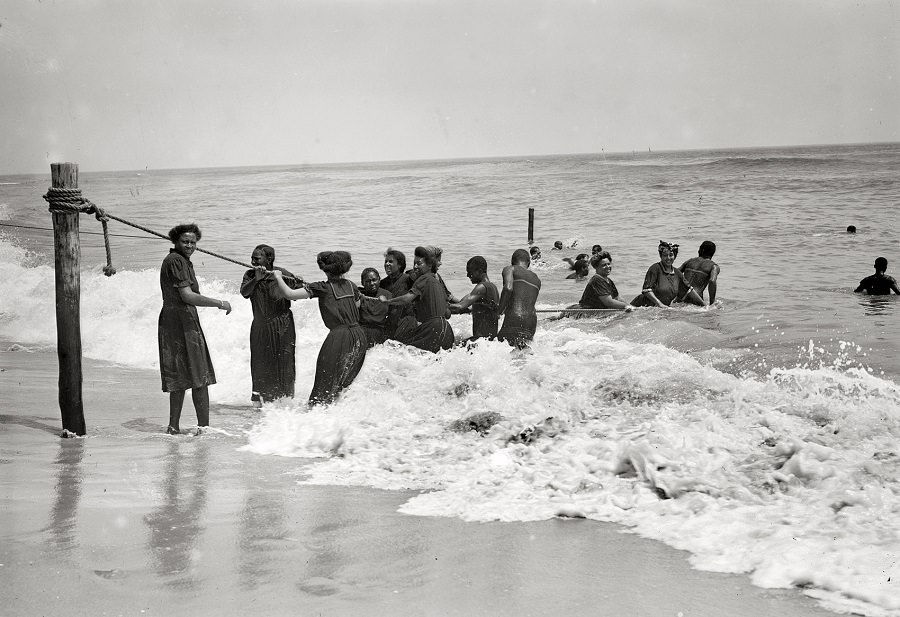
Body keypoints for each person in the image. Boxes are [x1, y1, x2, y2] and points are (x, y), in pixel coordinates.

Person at [158, 223, 232, 435]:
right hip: (182, 320)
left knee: (180, 375)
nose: (190, 245)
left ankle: (173, 427)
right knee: (200, 376)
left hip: (172, 319)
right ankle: (204, 428)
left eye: (193, 242)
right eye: (185, 241)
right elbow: (188, 296)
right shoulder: (178, 261)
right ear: (175, 241)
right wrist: (220, 302)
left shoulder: (176, 260)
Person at [272, 251, 368, 406]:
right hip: (359, 334)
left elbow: (289, 294)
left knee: (325, 379)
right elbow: (357, 305)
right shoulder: (351, 285)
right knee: (344, 381)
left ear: (325, 269)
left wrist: (278, 276)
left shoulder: (322, 287)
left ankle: (316, 412)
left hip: (339, 336)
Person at [240, 244, 303, 408]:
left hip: (283, 324)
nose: (252, 261)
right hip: (260, 326)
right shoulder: (249, 274)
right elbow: (244, 293)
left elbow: (297, 294)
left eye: (257, 258)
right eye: (252, 257)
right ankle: (260, 402)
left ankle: (285, 402)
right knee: (260, 363)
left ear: (269, 259)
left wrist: (296, 281)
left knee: (285, 361)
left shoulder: (283, 274)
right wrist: (257, 279)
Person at [382, 246, 455, 352]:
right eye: (414, 263)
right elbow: (447, 313)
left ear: (429, 265)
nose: (415, 267)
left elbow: (407, 299)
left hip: (433, 328)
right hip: (447, 329)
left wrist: (387, 301)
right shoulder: (437, 282)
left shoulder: (423, 279)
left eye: (419, 264)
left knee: (400, 348)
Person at [631, 241, 704, 307]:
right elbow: (646, 290)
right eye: (665, 255)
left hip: (660, 308)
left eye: (671, 255)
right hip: (640, 307)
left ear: (675, 256)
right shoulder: (655, 269)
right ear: (660, 256)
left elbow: (689, 291)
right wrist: (659, 304)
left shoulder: (677, 273)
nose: (668, 258)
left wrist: (705, 306)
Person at [497, 248, 542, 349]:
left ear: (512, 261)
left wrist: (499, 311)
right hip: (531, 324)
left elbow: (508, 289)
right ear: (529, 263)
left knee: (499, 349)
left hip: (514, 319)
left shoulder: (510, 269)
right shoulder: (537, 279)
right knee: (522, 355)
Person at [449, 256, 500, 341]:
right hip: (490, 341)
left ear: (479, 271)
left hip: (481, 340)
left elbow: (460, 306)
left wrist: (437, 308)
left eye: (470, 272)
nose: (468, 275)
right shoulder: (492, 287)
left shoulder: (482, 287)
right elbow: (462, 305)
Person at [678, 240, 720, 305]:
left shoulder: (690, 261)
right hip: (695, 299)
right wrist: (712, 303)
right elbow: (712, 281)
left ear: (702, 250)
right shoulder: (713, 266)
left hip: (680, 296)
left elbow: (675, 273)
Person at [358, 267, 392, 347]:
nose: (372, 283)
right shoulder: (359, 295)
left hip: (378, 330)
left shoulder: (388, 295)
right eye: (368, 281)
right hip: (361, 330)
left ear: (379, 280)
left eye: (374, 280)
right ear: (362, 283)